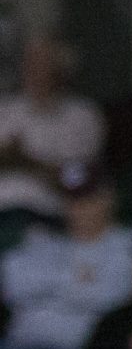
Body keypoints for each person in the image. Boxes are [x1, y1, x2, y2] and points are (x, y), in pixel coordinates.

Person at [0, 165, 131, 349]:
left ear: (106, 199)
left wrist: (44, 285)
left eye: (86, 199)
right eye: (71, 200)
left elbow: (108, 297)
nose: (77, 208)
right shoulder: (44, 240)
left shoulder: (125, 246)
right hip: (17, 347)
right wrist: (72, 281)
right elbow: (12, 286)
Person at [0, 34, 105, 219]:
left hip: (50, 216)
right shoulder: (6, 110)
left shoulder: (82, 116)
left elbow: (77, 179)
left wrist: (26, 160)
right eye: (29, 62)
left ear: (61, 70)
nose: (31, 70)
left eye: (41, 63)